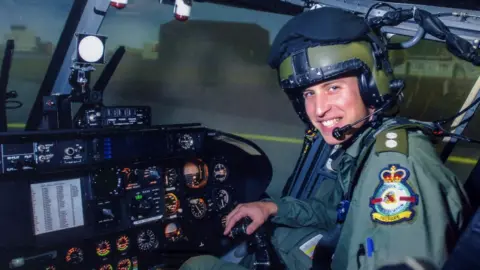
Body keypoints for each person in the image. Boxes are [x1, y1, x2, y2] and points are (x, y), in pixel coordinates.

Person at [180, 7, 471, 270]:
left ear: (370, 86)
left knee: (198, 265)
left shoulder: (396, 164)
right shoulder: (362, 148)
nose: (319, 110)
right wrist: (271, 207)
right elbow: (333, 213)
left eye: (333, 87)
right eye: (309, 93)